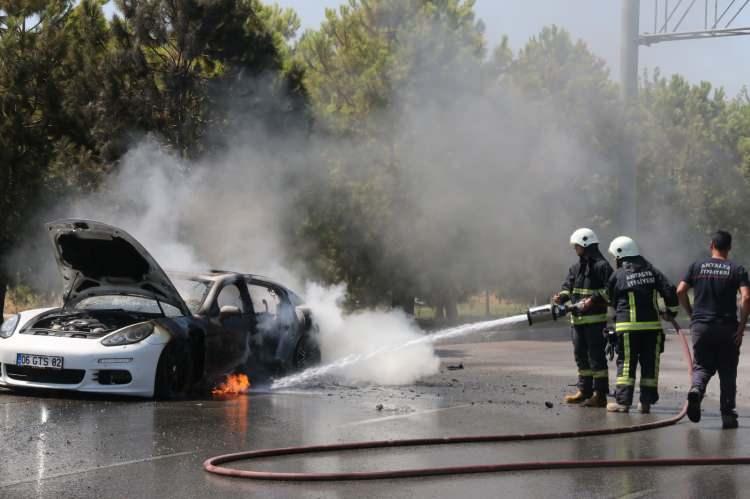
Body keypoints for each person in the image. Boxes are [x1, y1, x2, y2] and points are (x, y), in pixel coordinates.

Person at [677, 230, 750, 429]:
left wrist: (692, 314)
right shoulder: (737, 268)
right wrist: (741, 327)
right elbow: (746, 297)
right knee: (727, 371)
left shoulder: (696, 266)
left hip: (701, 326)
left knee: (702, 366)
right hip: (727, 328)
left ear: (711, 245)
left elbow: (680, 290)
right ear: (730, 247)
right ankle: (727, 414)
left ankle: (697, 390)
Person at [604, 236, 679, 414]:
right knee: (650, 364)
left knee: (627, 364)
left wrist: (610, 324)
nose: (615, 260)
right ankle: (646, 403)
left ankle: (623, 403)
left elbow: (610, 299)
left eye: (615, 256)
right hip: (652, 328)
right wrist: (671, 312)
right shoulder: (652, 271)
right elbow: (669, 290)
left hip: (628, 328)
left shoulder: (618, 275)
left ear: (621, 255)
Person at [553, 228, 613, 407]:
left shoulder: (602, 267)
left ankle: (600, 394)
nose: (575, 249)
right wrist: (561, 297)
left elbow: (611, 291)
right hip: (577, 322)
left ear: (586, 244)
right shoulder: (576, 268)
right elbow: (567, 287)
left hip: (595, 322)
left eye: (577, 246)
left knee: (596, 357)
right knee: (581, 356)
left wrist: (593, 300)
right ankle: (584, 391)